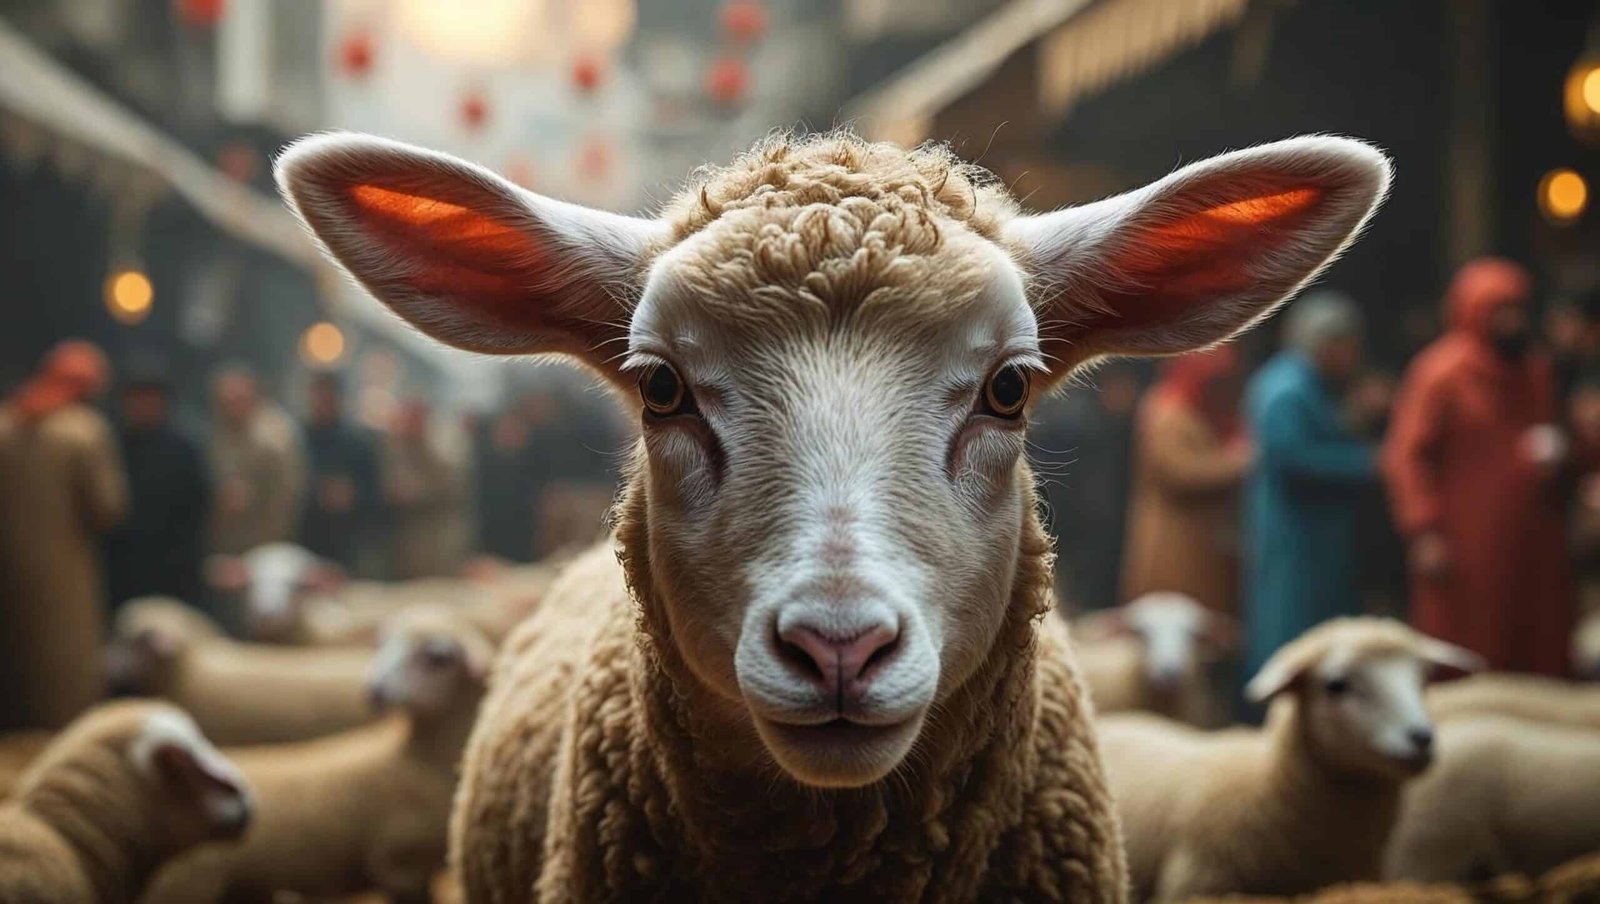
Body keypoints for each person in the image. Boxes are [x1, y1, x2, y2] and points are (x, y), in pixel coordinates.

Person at [1383, 259, 1583, 675]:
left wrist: (1566, 450)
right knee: (1466, 647)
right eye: (1499, 310)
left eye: (1517, 309)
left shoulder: (1535, 371)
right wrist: (1424, 530)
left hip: (1532, 540)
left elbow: (1557, 435)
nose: (1512, 321)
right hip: (1465, 542)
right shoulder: (1439, 374)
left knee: (1535, 645)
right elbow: (1406, 456)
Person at [1243, 292, 1379, 678]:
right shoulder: (1287, 388)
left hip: (1315, 533)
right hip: (1295, 534)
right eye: (1347, 346)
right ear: (1325, 343)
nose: (1353, 357)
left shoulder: (1310, 384)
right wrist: (1366, 462)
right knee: (1289, 624)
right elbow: (1291, 458)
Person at [0, 341, 126, 728]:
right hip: (65, 575)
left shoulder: (7, 424)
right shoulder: (84, 433)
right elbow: (109, 508)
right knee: (66, 671)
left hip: (8, 571)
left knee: (16, 664)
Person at [1121, 349, 1249, 614]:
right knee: (1171, 623)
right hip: (1173, 543)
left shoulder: (1200, 408)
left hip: (1204, 543)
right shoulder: (1167, 410)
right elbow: (1177, 472)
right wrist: (1237, 462)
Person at [1031, 361, 1142, 612]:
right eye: (1124, 388)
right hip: (1078, 518)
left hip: (1083, 518)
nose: (1130, 397)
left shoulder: (1094, 416)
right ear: (1109, 384)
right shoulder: (1079, 417)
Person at [105, 364, 210, 609]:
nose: (143, 405)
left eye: (150, 398)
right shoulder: (111, 445)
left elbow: (197, 508)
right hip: (122, 568)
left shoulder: (184, 449)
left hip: (173, 570)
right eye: (136, 398)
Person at [208, 366, 305, 555]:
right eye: (226, 402)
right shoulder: (214, 437)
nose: (233, 407)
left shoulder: (273, 441)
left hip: (264, 544)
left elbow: (285, 500)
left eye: (239, 400)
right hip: (222, 546)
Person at [299, 372, 379, 572]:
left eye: (327, 396)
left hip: (347, 540)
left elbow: (375, 492)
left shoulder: (358, 442)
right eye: (318, 395)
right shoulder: (298, 438)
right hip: (306, 536)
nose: (321, 402)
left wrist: (352, 496)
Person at [381, 397, 468, 578]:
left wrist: (423, 445)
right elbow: (390, 485)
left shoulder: (445, 440)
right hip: (404, 538)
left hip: (437, 538)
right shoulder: (393, 444)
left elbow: (451, 484)